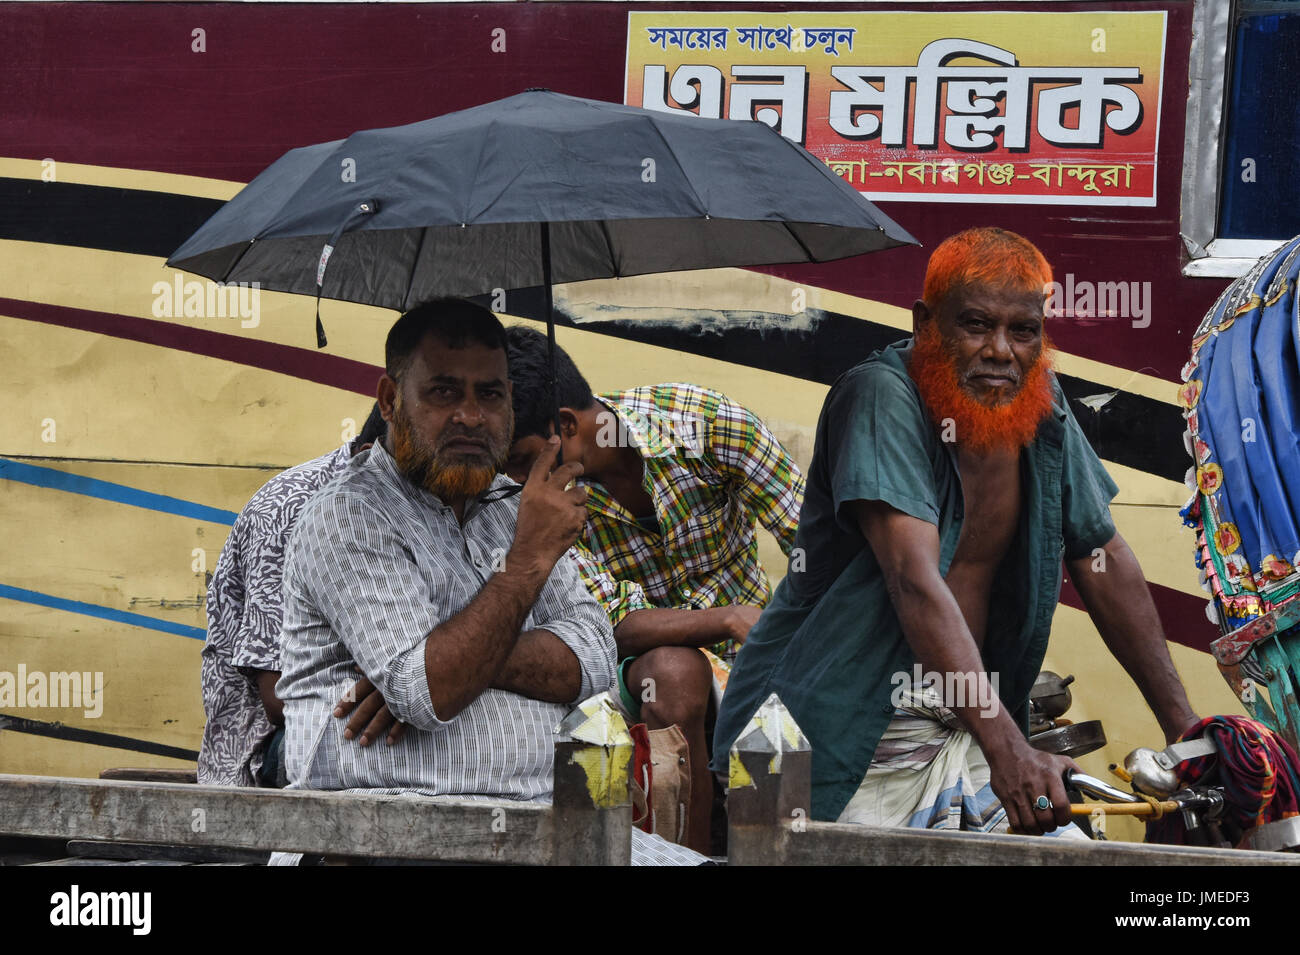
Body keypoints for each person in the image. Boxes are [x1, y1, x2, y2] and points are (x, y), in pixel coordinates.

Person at [712, 227, 1202, 836]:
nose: (1001, 350)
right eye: (975, 325)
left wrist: (1186, 734)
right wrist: (1007, 749)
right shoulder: (879, 395)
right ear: (925, 325)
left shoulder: (1037, 398)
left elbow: (1099, 553)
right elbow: (913, 579)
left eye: (1023, 331)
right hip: (840, 731)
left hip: (974, 723)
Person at [274, 299, 705, 865]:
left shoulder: (511, 511)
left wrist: (455, 657)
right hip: (387, 834)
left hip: (544, 828)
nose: (472, 417)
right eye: (444, 392)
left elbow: (596, 658)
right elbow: (431, 693)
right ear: (390, 399)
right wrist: (523, 569)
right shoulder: (351, 514)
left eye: (490, 394)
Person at [503, 325, 805, 853]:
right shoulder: (538, 504)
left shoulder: (706, 422)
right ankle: (684, 858)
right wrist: (730, 617)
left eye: (521, 461)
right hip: (630, 679)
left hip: (753, 656)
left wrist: (776, 628)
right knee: (673, 670)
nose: (517, 482)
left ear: (568, 426)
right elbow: (607, 627)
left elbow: (812, 544)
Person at [199, 404, 388, 787]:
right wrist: (408, 687)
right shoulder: (289, 510)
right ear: (373, 455)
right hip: (271, 746)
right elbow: (281, 700)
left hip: (359, 710)